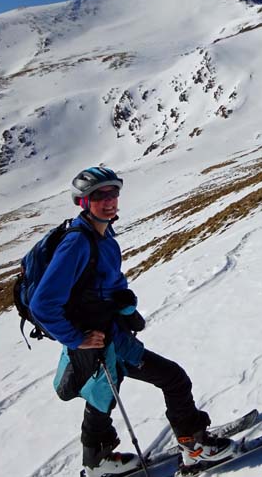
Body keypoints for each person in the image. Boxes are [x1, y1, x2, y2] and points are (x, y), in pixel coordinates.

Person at [30, 166, 235, 477]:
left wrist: (126, 307)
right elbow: (43, 304)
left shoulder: (104, 235)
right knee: (173, 378)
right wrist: (76, 338)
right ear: (83, 202)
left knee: (102, 395)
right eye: (99, 195)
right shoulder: (78, 243)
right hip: (102, 339)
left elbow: (107, 283)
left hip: (109, 332)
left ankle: (97, 461)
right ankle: (195, 449)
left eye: (113, 192)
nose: (109, 200)